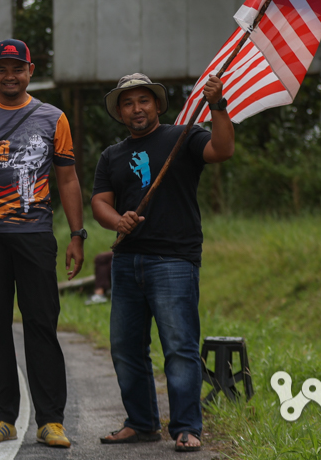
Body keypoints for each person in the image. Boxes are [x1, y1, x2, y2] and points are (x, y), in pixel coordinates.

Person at [0, 38, 86, 449]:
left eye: (17, 68)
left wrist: (77, 235)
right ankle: (1, 417)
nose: (10, 76)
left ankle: (51, 421)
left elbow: (68, 178)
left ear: (30, 70)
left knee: (42, 322)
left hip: (35, 234)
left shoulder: (52, 117)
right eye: (2, 69)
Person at [91, 73, 234, 453]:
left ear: (157, 105)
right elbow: (99, 203)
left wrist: (218, 105)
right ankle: (141, 423)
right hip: (126, 261)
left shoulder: (183, 137)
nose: (136, 108)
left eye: (143, 100)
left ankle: (187, 427)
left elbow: (223, 150)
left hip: (173, 260)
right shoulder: (112, 155)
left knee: (178, 346)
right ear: (119, 111)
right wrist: (116, 220)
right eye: (127, 103)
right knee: (125, 347)